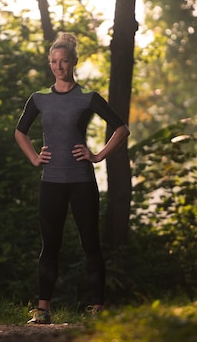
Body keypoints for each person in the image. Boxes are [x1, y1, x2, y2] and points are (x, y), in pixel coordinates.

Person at [15, 32, 130, 324]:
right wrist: (33, 157)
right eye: (53, 62)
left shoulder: (87, 98)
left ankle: (98, 308)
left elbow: (121, 128)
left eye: (63, 61)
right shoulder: (39, 99)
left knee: (90, 243)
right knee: (50, 245)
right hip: (51, 181)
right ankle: (42, 311)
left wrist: (98, 155)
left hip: (81, 180)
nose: (58, 67)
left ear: (74, 62)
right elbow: (20, 131)